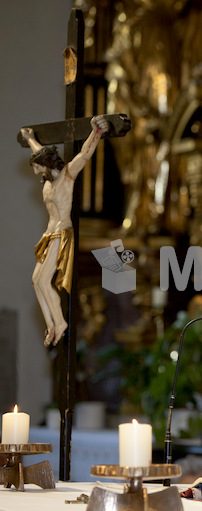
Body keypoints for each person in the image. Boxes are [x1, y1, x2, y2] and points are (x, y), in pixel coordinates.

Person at [21, 115, 110, 347]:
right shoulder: (48, 181)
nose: (36, 173)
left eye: (38, 168)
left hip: (61, 234)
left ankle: (59, 323)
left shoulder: (66, 178)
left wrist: (96, 133)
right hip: (49, 235)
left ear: (47, 165)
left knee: (43, 281)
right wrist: (31, 138)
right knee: (35, 280)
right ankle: (51, 324)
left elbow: (84, 155)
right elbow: (41, 151)